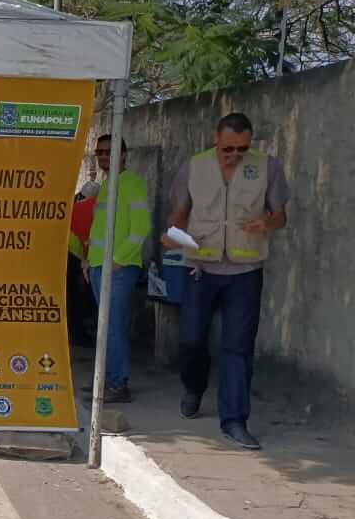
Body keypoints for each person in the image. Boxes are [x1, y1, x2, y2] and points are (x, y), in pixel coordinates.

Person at [163, 112, 289, 450]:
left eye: (242, 149)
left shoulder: (268, 166)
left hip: (245, 273)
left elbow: (280, 215)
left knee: (237, 349)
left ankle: (234, 420)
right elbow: (180, 210)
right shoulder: (195, 166)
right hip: (200, 270)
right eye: (228, 149)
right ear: (216, 139)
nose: (235, 155)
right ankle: (194, 386)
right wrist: (172, 234)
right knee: (191, 340)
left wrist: (268, 223)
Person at [86, 135, 150, 401]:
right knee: (106, 327)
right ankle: (107, 380)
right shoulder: (105, 185)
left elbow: (141, 228)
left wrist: (119, 260)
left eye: (108, 152)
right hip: (100, 264)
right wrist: (87, 260)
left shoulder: (132, 183)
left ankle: (117, 384)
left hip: (119, 268)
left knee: (113, 326)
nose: (103, 156)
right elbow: (98, 228)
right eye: (99, 152)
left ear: (123, 154)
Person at [67, 181, 99, 348]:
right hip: (74, 257)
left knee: (72, 298)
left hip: (68, 256)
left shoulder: (73, 205)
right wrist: (85, 265)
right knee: (76, 298)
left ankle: (75, 333)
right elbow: (86, 241)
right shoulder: (88, 208)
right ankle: (78, 335)